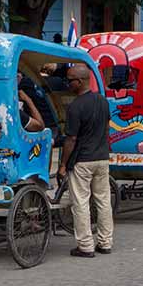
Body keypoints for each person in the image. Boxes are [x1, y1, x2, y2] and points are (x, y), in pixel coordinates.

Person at [57, 63, 113, 258]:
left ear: (79, 82)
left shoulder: (75, 107)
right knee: (103, 201)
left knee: (80, 203)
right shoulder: (103, 102)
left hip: (82, 161)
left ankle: (86, 245)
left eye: (70, 80)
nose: (68, 83)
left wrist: (63, 164)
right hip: (102, 158)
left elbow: (71, 139)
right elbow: (106, 129)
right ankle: (105, 242)